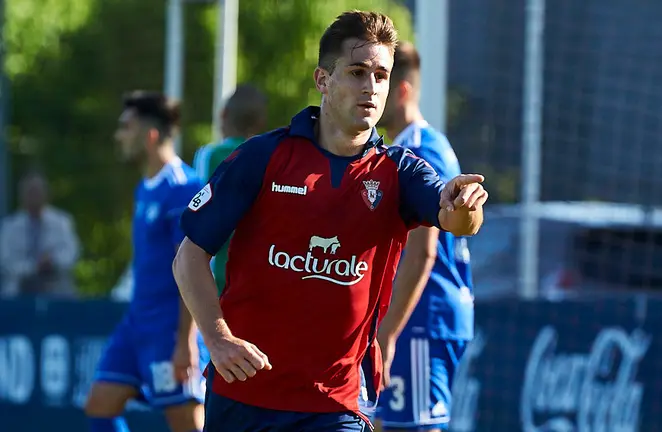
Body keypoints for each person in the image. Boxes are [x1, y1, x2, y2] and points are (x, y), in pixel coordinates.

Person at [173, 10, 488, 432]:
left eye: (381, 75)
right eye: (357, 72)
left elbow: (455, 219)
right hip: (242, 395)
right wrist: (217, 338)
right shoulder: (263, 157)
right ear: (323, 80)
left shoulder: (400, 171)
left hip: (335, 404)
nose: (371, 87)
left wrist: (465, 206)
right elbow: (189, 255)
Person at [84, 91, 205, 432]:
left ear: (150, 136)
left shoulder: (183, 189)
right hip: (136, 325)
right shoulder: (145, 187)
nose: (118, 135)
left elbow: (193, 269)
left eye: (126, 127)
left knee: (186, 424)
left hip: (168, 332)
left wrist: (185, 342)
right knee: (100, 405)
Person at [374, 42, 474, 432]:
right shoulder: (402, 148)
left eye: (380, 80)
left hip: (420, 319)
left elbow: (421, 252)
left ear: (401, 90)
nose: (371, 93)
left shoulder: (420, 150)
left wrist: (388, 332)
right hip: (415, 317)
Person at [191, 83, 269, 390]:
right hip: (257, 287)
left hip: (215, 290)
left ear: (224, 115)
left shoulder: (210, 155)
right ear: (261, 122)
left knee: (215, 388)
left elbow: (194, 223)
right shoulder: (270, 156)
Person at [0, 171, 80, 298]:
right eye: (30, 192)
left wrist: (52, 262)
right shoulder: (9, 227)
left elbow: (71, 254)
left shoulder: (62, 222)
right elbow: (6, 263)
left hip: (57, 294)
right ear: (21, 195)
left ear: (46, 194)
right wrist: (35, 267)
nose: (34, 196)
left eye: (37, 191)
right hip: (18, 296)